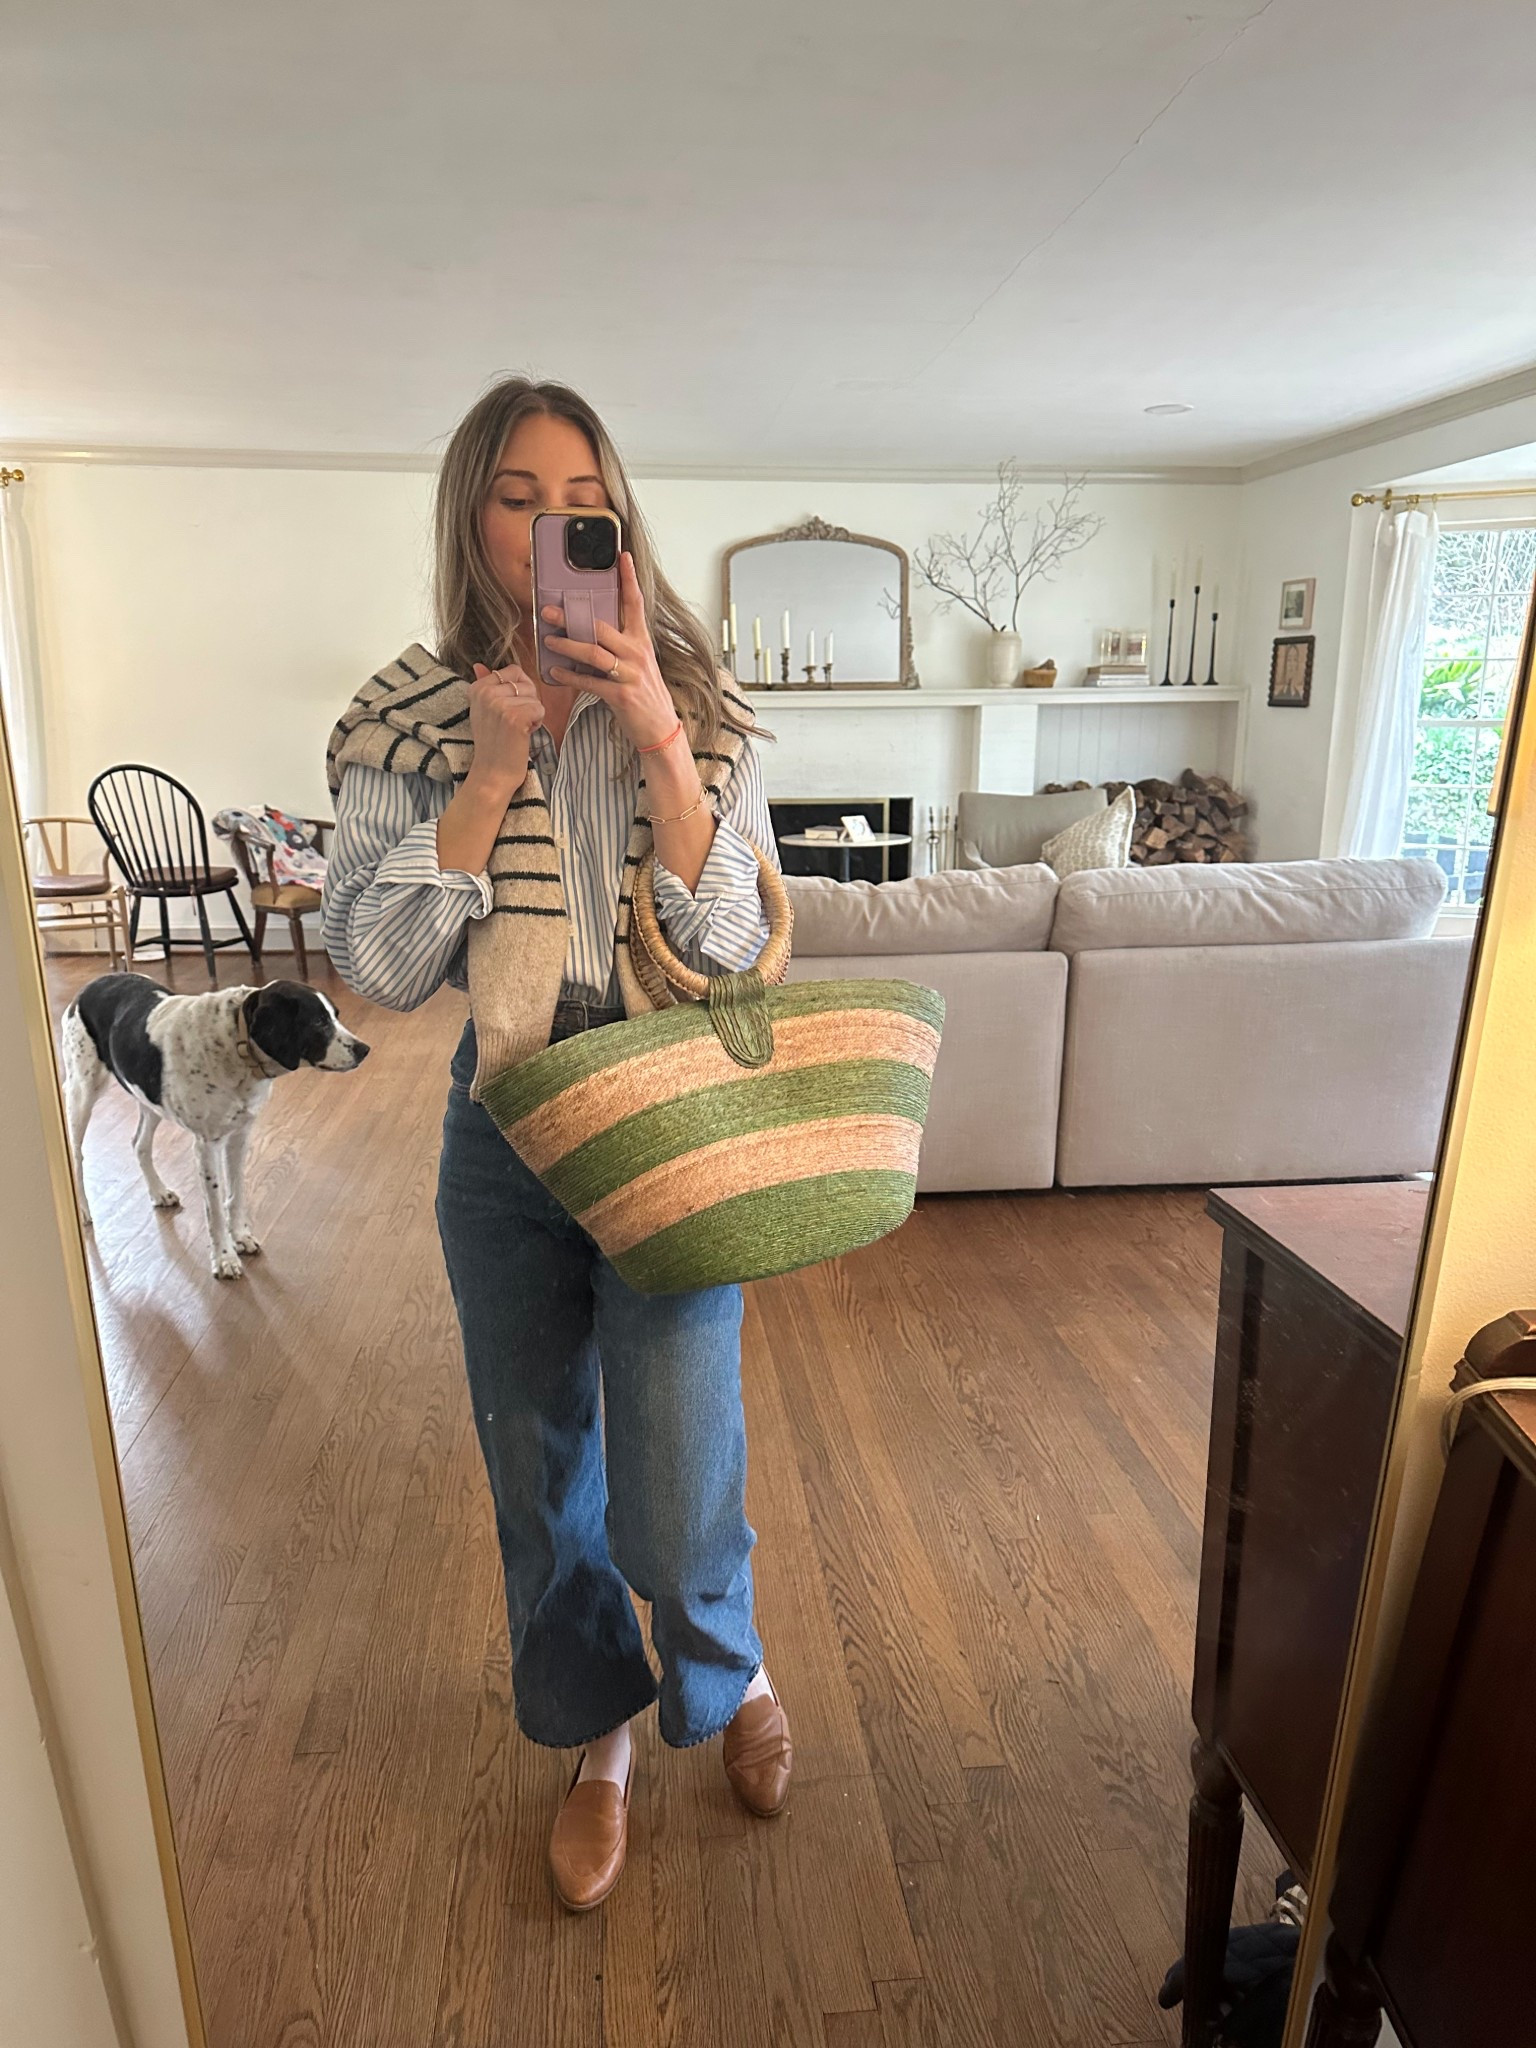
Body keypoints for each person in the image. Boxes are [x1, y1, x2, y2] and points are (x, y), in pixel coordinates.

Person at [322, 377, 791, 1913]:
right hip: (503, 1123)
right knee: (537, 1467)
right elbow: (380, 971)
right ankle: (599, 1741)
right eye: (516, 493)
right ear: (473, 516)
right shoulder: (404, 718)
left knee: (677, 1470)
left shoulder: (700, 705)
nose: (548, 522)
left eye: (576, 492)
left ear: (617, 514)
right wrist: (485, 777)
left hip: (664, 1108)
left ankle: (726, 1665)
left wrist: (657, 740)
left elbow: (731, 957)